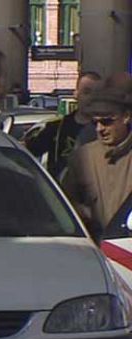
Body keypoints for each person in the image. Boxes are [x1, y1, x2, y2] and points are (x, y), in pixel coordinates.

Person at [62, 84, 132, 240]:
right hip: (93, 248)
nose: (100, 129)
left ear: (126, 117)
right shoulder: (82, 157)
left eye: (107, 122)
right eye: (95, 123)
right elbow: (65, 204)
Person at [23, 71, 101, 179]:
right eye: (86, 92)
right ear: (76, 94)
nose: (91, 98)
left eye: (96, 94)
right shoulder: (56, 127)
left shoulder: (105, 129)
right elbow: (29, 150)